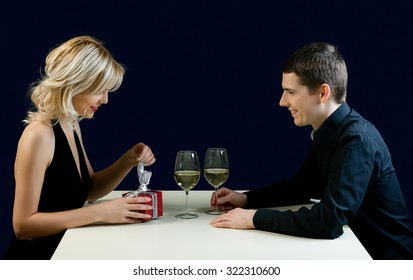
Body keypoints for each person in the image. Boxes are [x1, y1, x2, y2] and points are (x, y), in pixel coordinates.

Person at [210, 42, 413, 260]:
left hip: (386, 264)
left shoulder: (356, 140)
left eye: (290, 92)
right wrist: (246, 199)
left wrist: (253, 218)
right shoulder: (329, 132)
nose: (282, 101)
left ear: (323, 93)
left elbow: (329, 221)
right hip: (354, 254)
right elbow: (300, 188)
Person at [3, 35, 156, 260]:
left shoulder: (71, 123)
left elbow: (89, 189)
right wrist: (99, 213)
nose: (105, 100)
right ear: (76, 83)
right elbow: (23, 225)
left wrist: (127, 161)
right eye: (100, 90)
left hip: (65, 254)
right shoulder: (39, 135)